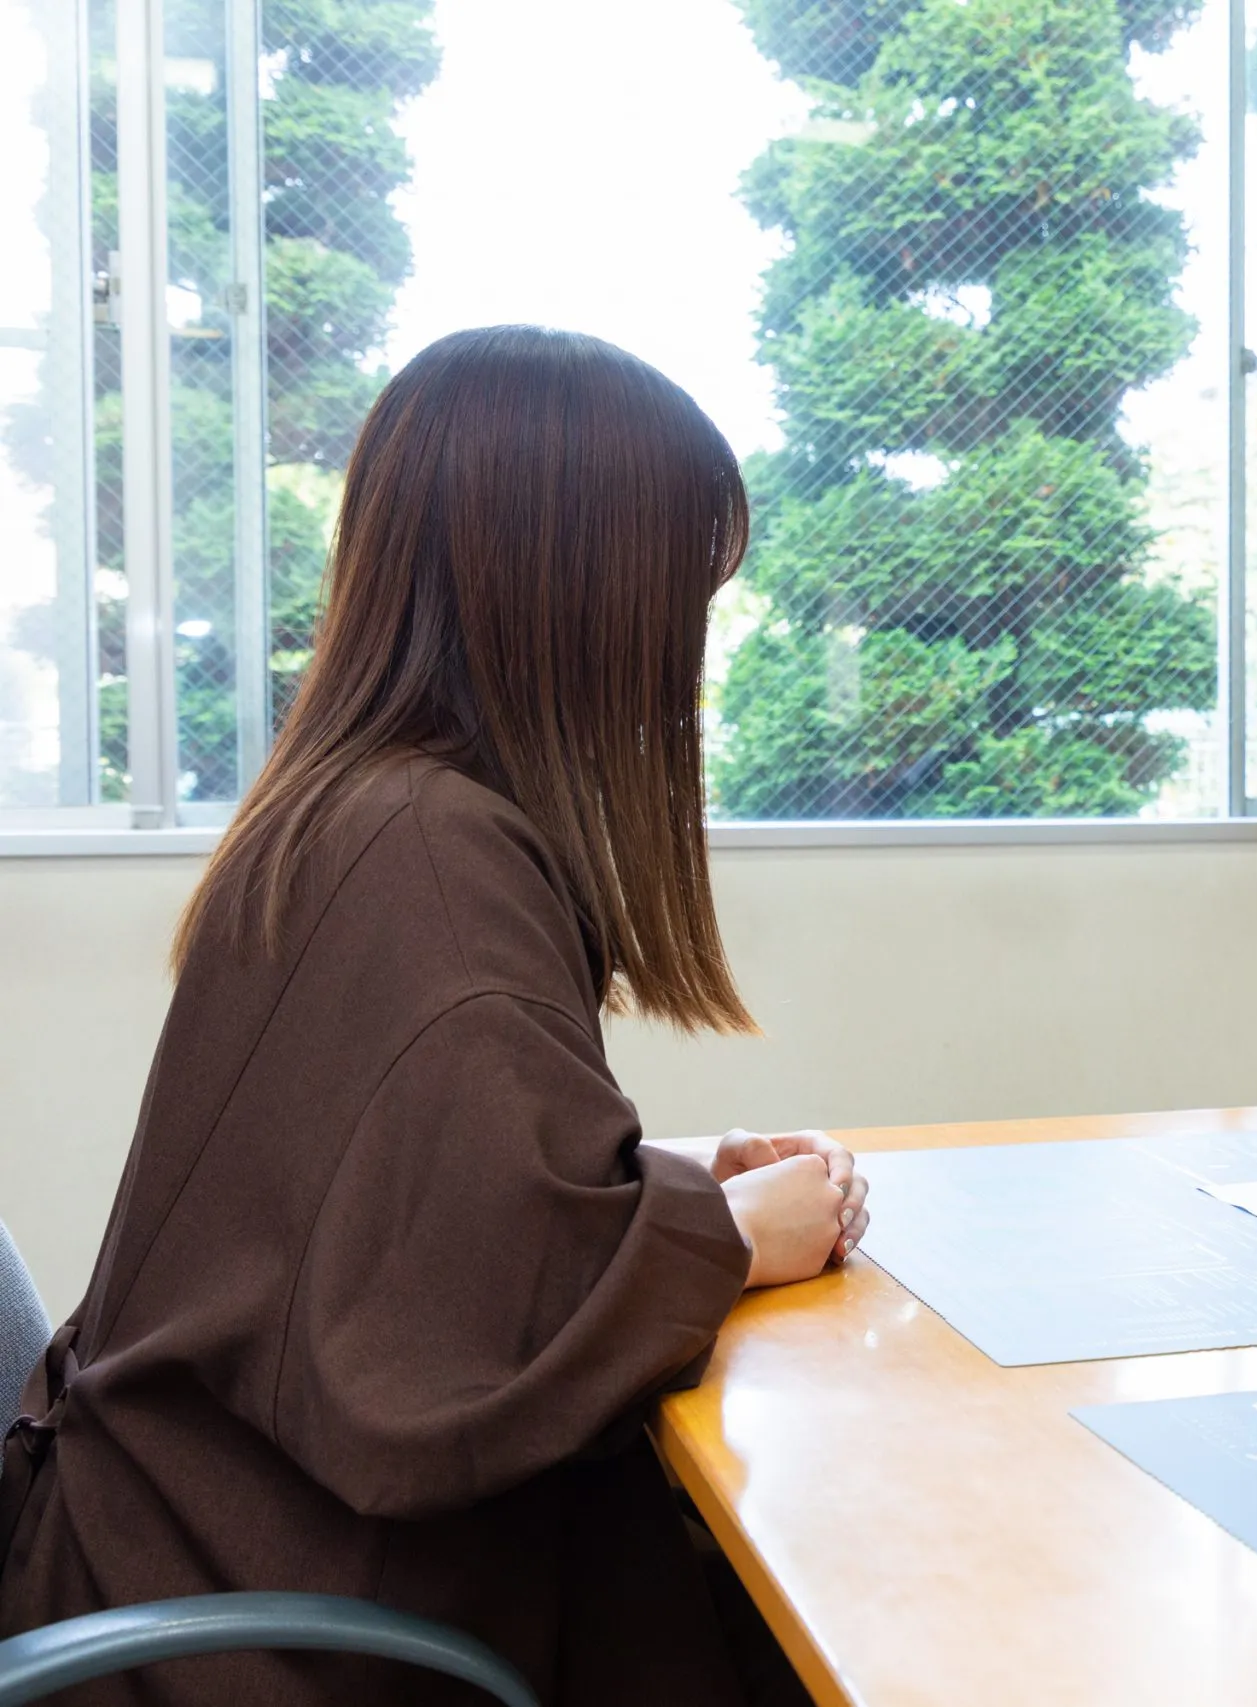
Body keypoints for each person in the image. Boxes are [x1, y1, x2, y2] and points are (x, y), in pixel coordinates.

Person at [0, 327, 863, 1705]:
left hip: (176, 1541)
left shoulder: (364, 808)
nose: (686, 653)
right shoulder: (432, 855)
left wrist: (669, 1186)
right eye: (678, 594)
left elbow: (396, 1210)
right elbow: (451, 1363)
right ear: (580, 593)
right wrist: (727, 1236)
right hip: (270, 1628)